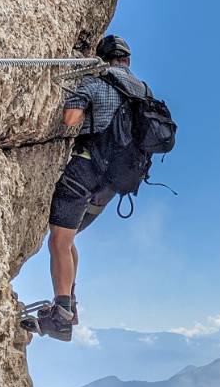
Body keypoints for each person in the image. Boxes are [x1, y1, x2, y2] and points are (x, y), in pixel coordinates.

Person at [35, 32, 149, 341]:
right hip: (113, 184)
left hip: (85, 170)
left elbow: (71, 119)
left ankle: (61, 313)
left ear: (101, 59)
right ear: (126, 61)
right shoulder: (142, 92)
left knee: (59, 240)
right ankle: (69, 304)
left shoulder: (96, 83)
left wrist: (76, 98)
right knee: (69, 239)